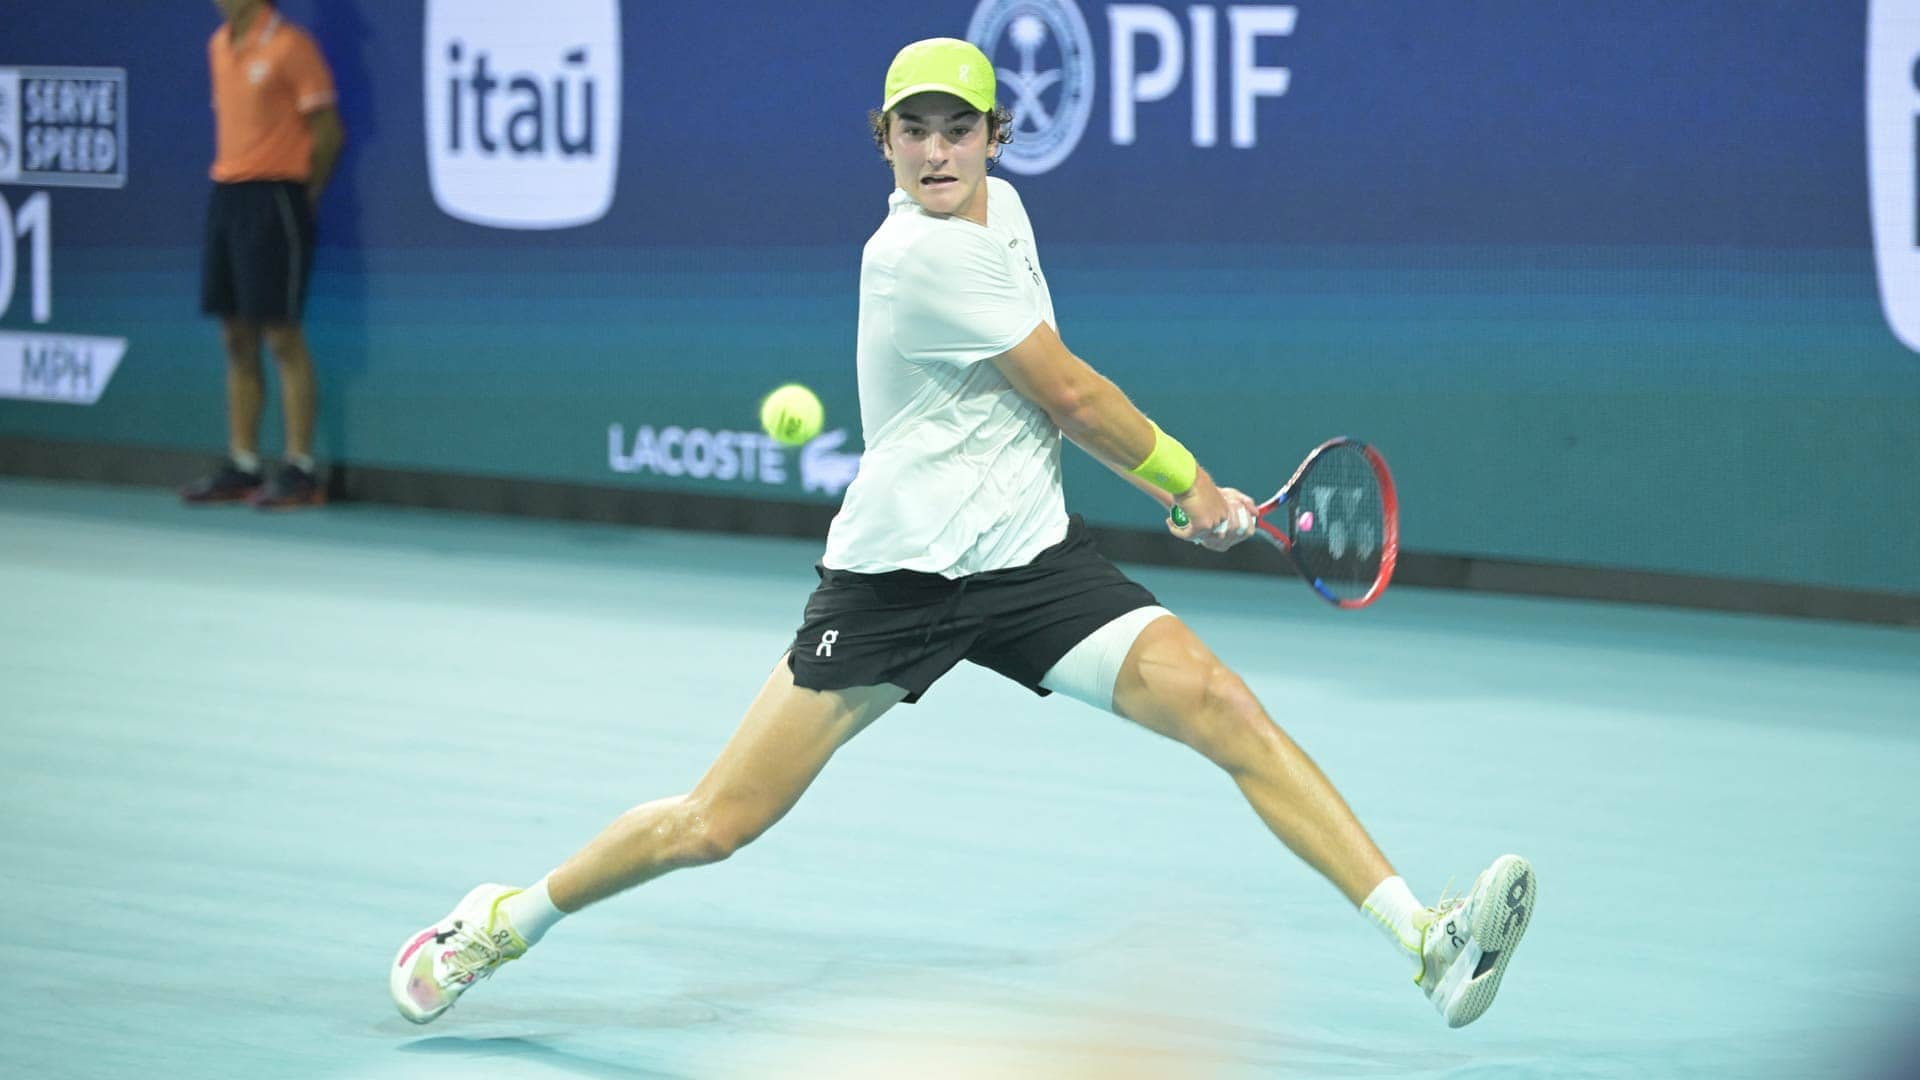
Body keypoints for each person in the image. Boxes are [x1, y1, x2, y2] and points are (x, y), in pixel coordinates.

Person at [388, 38, 1535, 1031]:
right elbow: (1071, 396)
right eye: (913, 132)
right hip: (897, 584)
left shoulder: (1004, 212)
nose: (936, 154)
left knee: (1224, 706)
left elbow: (1053, 393)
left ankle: (1425, 940)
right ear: (883, 140)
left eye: (958, 130)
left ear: (995, 134)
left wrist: (1180, 488)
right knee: (715, 824)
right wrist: (1190, 486)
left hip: (1030, 563)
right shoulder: (917, 256)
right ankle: (506, 919)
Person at [180, 0, 344, 509]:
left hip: (277, 198)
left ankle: (301, 468)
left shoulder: (292, 46)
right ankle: (244, 463)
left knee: (281, 334)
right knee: (235, 334)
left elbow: (328, 133)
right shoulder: (217, 45)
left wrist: (303, 194)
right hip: (227, 197)